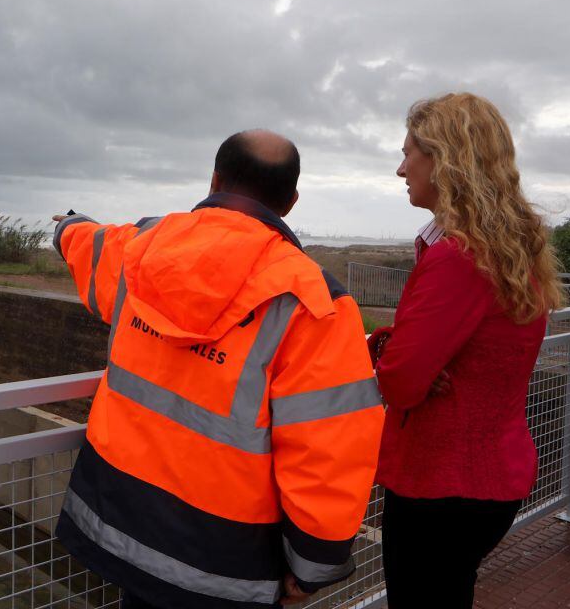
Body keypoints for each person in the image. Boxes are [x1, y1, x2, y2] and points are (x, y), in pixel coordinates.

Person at [51, 130, 384, 609]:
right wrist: (312, 568)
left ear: (214, 179)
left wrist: (68, 226)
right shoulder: (315, 303)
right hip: (224, 560)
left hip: (124, 523)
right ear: (289, 202)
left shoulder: (144, 246)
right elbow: (328, 451)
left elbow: (90, 245)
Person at [370, 93, 563, 607]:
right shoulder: (507, 247)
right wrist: (403, 353)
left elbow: (402, 382)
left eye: (409, 152)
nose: (400, 168)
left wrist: (389, 356)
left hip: (441, 483)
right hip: (488, 477)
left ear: (445, 157)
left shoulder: (457, 257)